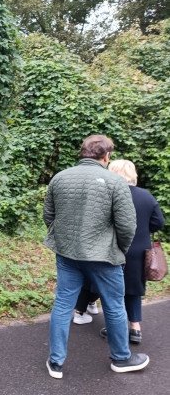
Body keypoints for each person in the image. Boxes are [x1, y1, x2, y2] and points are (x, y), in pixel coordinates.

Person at [43, 135, 149, 379]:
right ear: (106, 155)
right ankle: (121, 359)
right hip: (104, 257)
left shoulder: (60, 177)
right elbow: (126, 226)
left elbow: (49, 216)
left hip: (68, 255)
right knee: (114, 305)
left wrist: (65, 241)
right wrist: (120, 250)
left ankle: (56, 363)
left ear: (83, 152)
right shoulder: (115, 182)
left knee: (63, 304)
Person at [100, 159, 165, 343]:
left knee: (114, 289)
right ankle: (135, 329)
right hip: (140, 251)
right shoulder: (146, 196)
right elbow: (159, 222)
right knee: (134, 288)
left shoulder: (109, 195)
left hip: (114, 248)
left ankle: (115, 327)